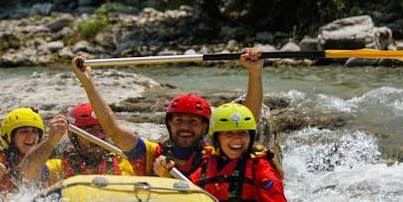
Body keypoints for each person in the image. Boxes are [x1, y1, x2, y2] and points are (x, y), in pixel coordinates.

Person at [70, 51, 263, 177]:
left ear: (206, 127)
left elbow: (247, 123)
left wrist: (254, 73)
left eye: (193, 122)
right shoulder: (149, 154)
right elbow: (113, 129)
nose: (185, 127)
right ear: (169, 124)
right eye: (179, 121)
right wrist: (87, 81)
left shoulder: (216, 155)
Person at [182, 103, 292, 202]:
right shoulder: (203, 166)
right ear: (217, 138)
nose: (237, 140)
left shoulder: (260, 167)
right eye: (229, 134)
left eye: (242, 134)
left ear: (250, 136)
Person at [21, 103, 134, 186]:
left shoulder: (125, 163)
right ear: (73, 136)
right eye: (89, 131)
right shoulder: (58, 168)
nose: (98, 137)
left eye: (102, 130)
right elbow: (27, 172)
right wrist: (51, 141)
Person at [0, 107, 44, 195]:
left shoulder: (43, 162)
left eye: (35, 131)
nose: (31, 136)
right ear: (11, 138)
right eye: (24, 131)